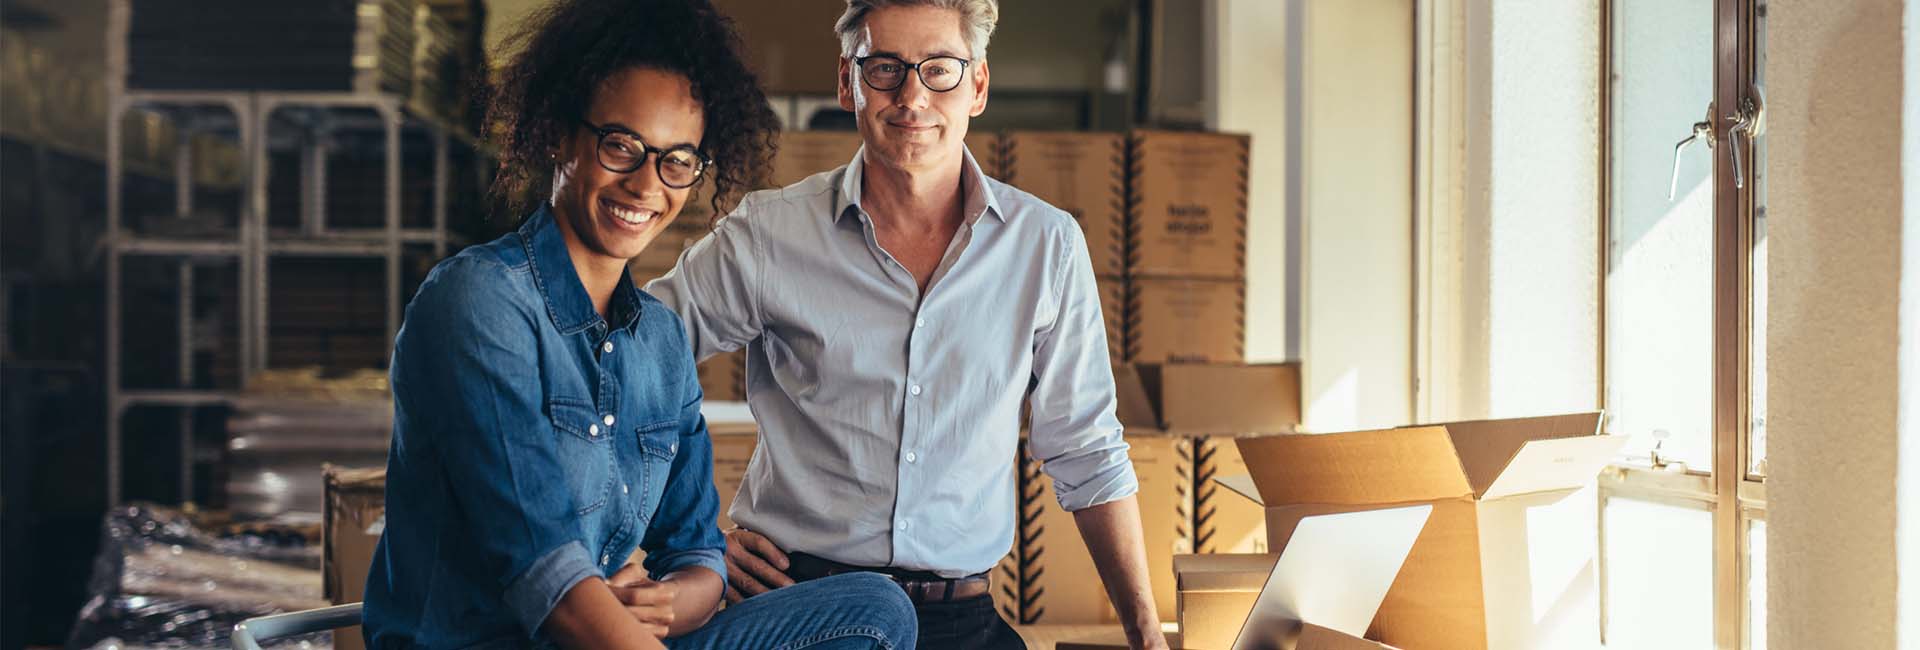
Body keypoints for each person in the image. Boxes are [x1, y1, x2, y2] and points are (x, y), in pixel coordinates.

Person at [359, 1, 917, 648]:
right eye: (621, 146)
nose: (647, 185)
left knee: (876, 610)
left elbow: (699, 556)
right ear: (559, 134)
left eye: (677, 160)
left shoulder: (659, 340)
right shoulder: (478, 303)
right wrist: (609, 613)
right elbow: (544, 573)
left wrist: (663, 603)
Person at [645, 1, 1171, 648]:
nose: (912, 96)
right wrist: (696, 546)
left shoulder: (1046, 247)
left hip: (962, 619)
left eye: (940, 69)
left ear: (978, 85)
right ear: (848, 83)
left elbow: (1087, 451)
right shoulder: (769, 234)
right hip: (802, 610)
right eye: (885, 68)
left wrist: (1147, 635)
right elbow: (622, 366)